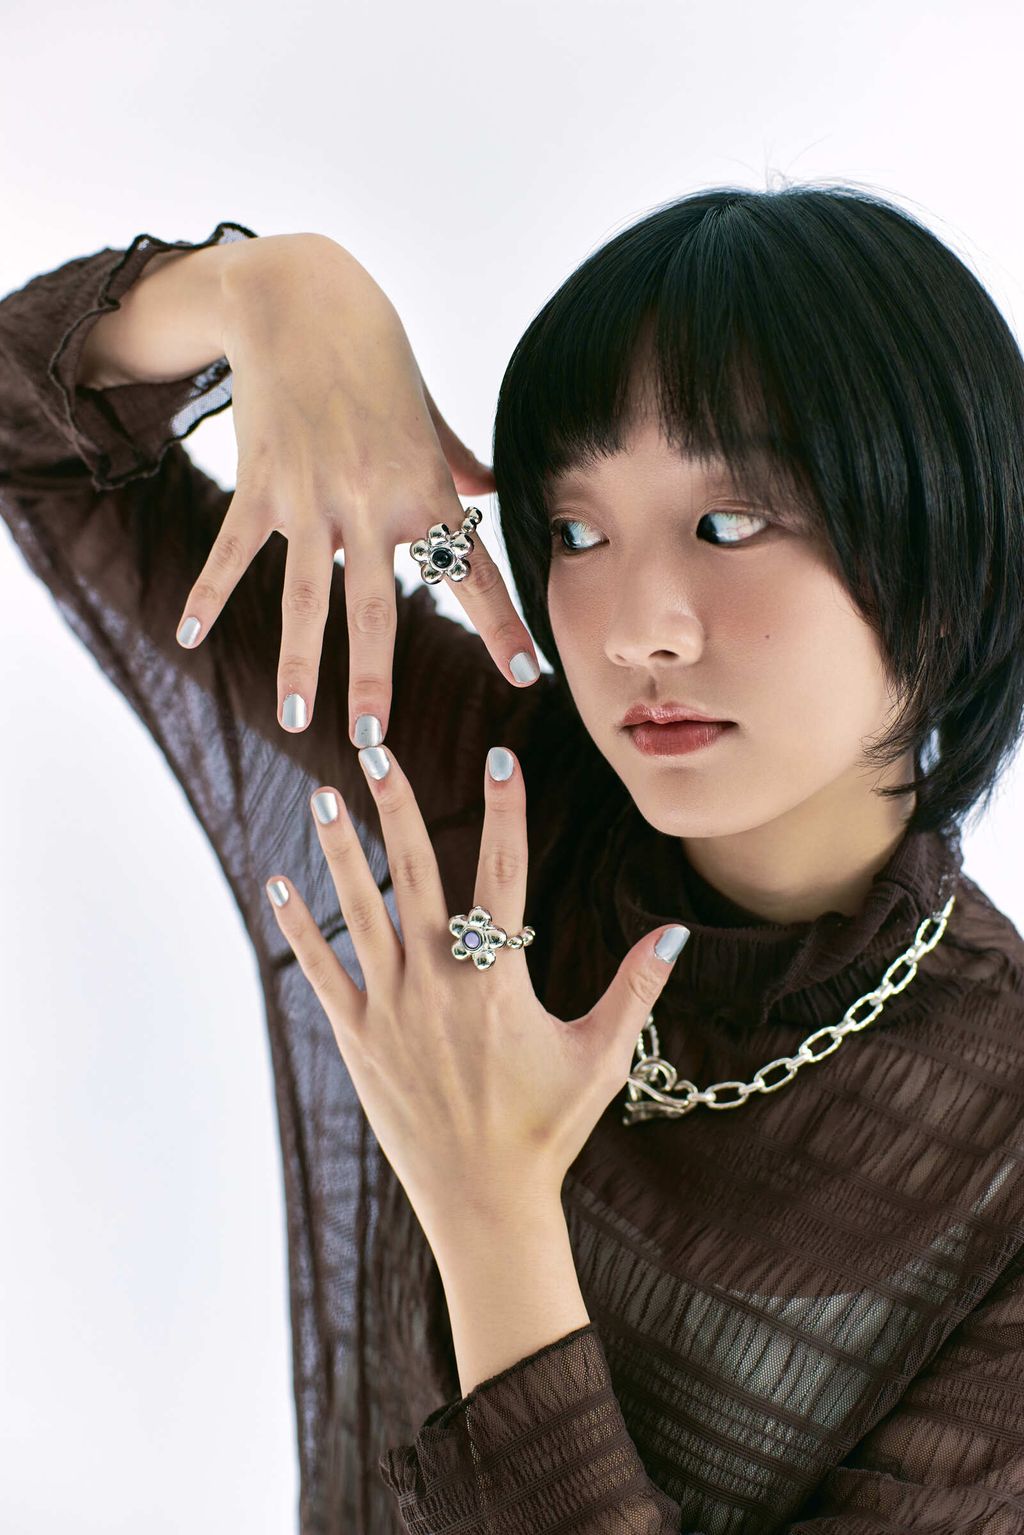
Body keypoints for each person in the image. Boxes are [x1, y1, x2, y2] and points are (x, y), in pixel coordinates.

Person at [1, 186, 1023, 1535]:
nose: (638, 629)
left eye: (729, 523)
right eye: (579, 532)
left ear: (946, 540)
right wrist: (264, 291)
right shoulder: (490, 791)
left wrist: (490, 1216)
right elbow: (33, 443)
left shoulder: (998, 1150)